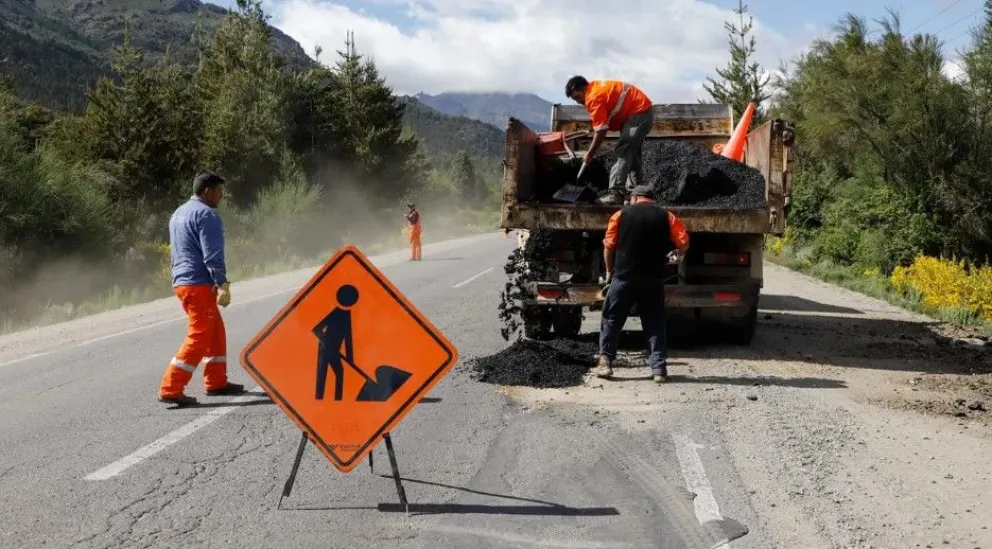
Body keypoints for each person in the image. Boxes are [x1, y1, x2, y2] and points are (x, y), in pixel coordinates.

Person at [158, 172, 245, 406]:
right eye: (219, 191)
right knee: (199, 334)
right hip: (198, 284)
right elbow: (212, 255)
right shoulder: (207, 215)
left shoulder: (178, 213)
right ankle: (170, 388)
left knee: (214, 330)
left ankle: (216, 382)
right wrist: (222, 283)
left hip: (183, 282)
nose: (222, 196)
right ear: (208, 191)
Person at [596, 185, 689, 383]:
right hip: (653, 279)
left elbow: (609, 246)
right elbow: (683, 241)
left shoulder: (620, 215)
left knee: (612, 319)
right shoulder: (667, 216)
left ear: (635, 198)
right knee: (654, 321)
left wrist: (609, 271)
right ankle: (659, 369)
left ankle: (605, 363)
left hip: (624, 277)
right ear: (652, 199)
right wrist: (677, 255)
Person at [565, 76, 655, 205]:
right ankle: (634, 194)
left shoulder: (593, 97)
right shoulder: (595, 89)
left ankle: (615, 193)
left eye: (577, 97)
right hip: (641, 112)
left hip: (639, 113)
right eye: (575, 100)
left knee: (623, 151)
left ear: (582, 88)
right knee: (632, 154)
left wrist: (590, 153)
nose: (579, 102)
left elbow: (601, 130)